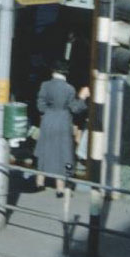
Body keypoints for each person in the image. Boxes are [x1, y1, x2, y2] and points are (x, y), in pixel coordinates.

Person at [36, 60, 89, 195]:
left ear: (52, 71)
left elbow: (40, 106)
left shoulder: (45, 85)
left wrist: (49, 112)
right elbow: (75, 108)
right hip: (63, 122)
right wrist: (82, 98)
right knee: (64, 154)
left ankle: (40, 182)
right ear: (66, 73)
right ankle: (60, 187)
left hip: (48, 121)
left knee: (44, 151)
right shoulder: (69, 89)